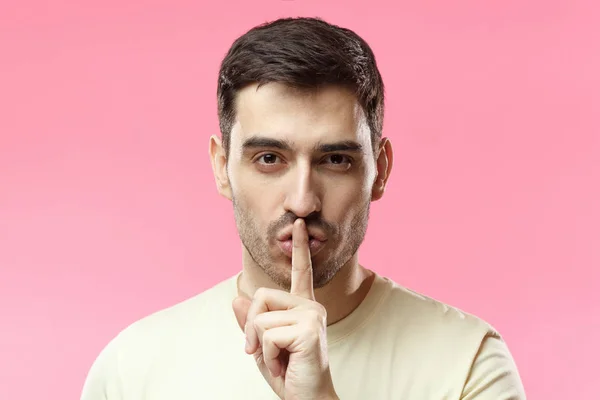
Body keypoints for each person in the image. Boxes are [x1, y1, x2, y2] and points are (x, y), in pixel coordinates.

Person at [80, 17, 526, 400]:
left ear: (380, 170)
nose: (302, 201)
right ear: (221, 167)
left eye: (335, 160)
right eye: (269, 159)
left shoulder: (467, 363)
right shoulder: (132, 370)